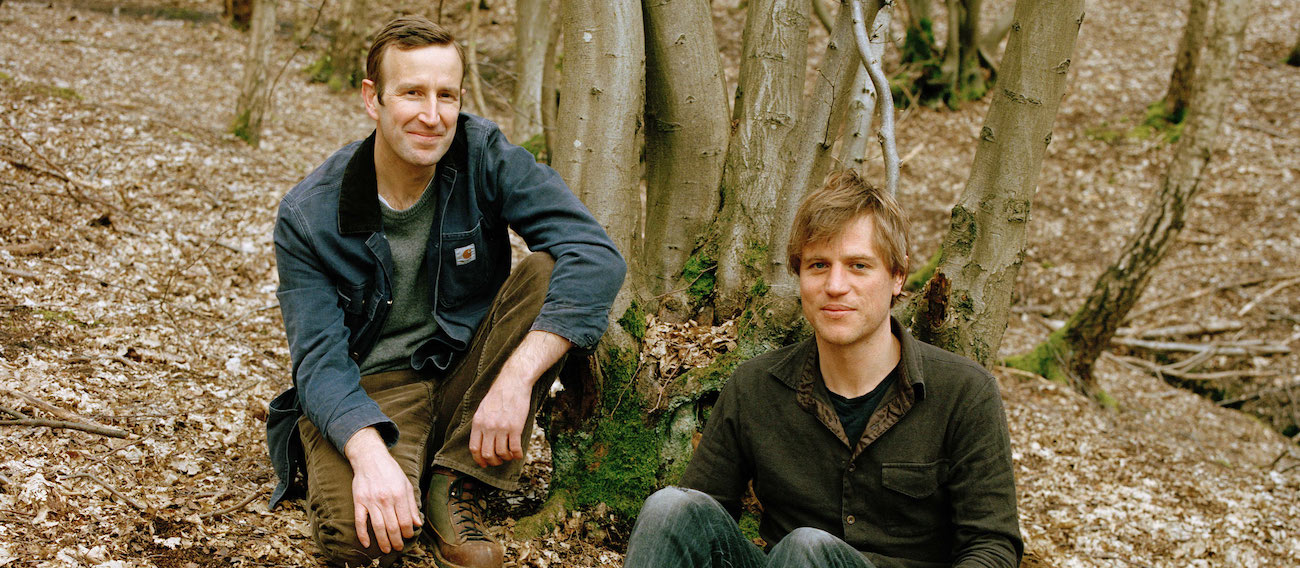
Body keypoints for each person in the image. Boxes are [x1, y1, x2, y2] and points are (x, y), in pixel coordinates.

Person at [265, 15, 625, 568]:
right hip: (373, 392)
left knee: (549, 269)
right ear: (373, 99)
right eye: (412, 93)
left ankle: (455, 483)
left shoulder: (482, 153)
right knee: (362, 543)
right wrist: (368, 455)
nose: (432, 116)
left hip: (468, 368)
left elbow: (594, 253)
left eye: (446, 95)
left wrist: (516, 379)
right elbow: (318, 362)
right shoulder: (308, 213)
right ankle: (404, 463)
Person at [623, 170, 1022, 568]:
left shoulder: (964, 392)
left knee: (808, 547)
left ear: (897, 277)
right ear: (800, 276)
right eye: (818, 265)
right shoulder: (755, 386)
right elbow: (702, 522)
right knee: (670, 508)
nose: (835, 285)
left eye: (858, 266)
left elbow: (992, 547)